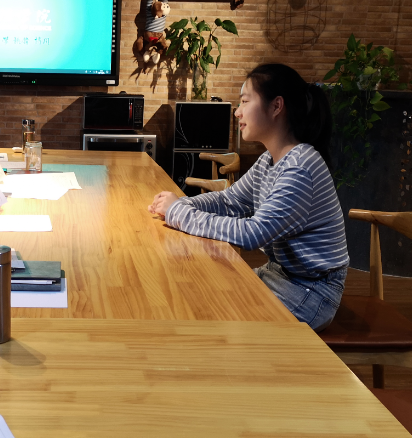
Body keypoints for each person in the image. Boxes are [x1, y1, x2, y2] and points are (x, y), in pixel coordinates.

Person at [148, 63, 348, 331]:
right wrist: (180, 204)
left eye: (244, 101)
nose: (237, 111)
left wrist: (179, 212)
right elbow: (229, 201)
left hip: (311, 292)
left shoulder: (300, 167)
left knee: (213, 319)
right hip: (279, 275)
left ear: (276, 106)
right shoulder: (270, 160)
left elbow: (252, 234)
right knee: (198, 294)